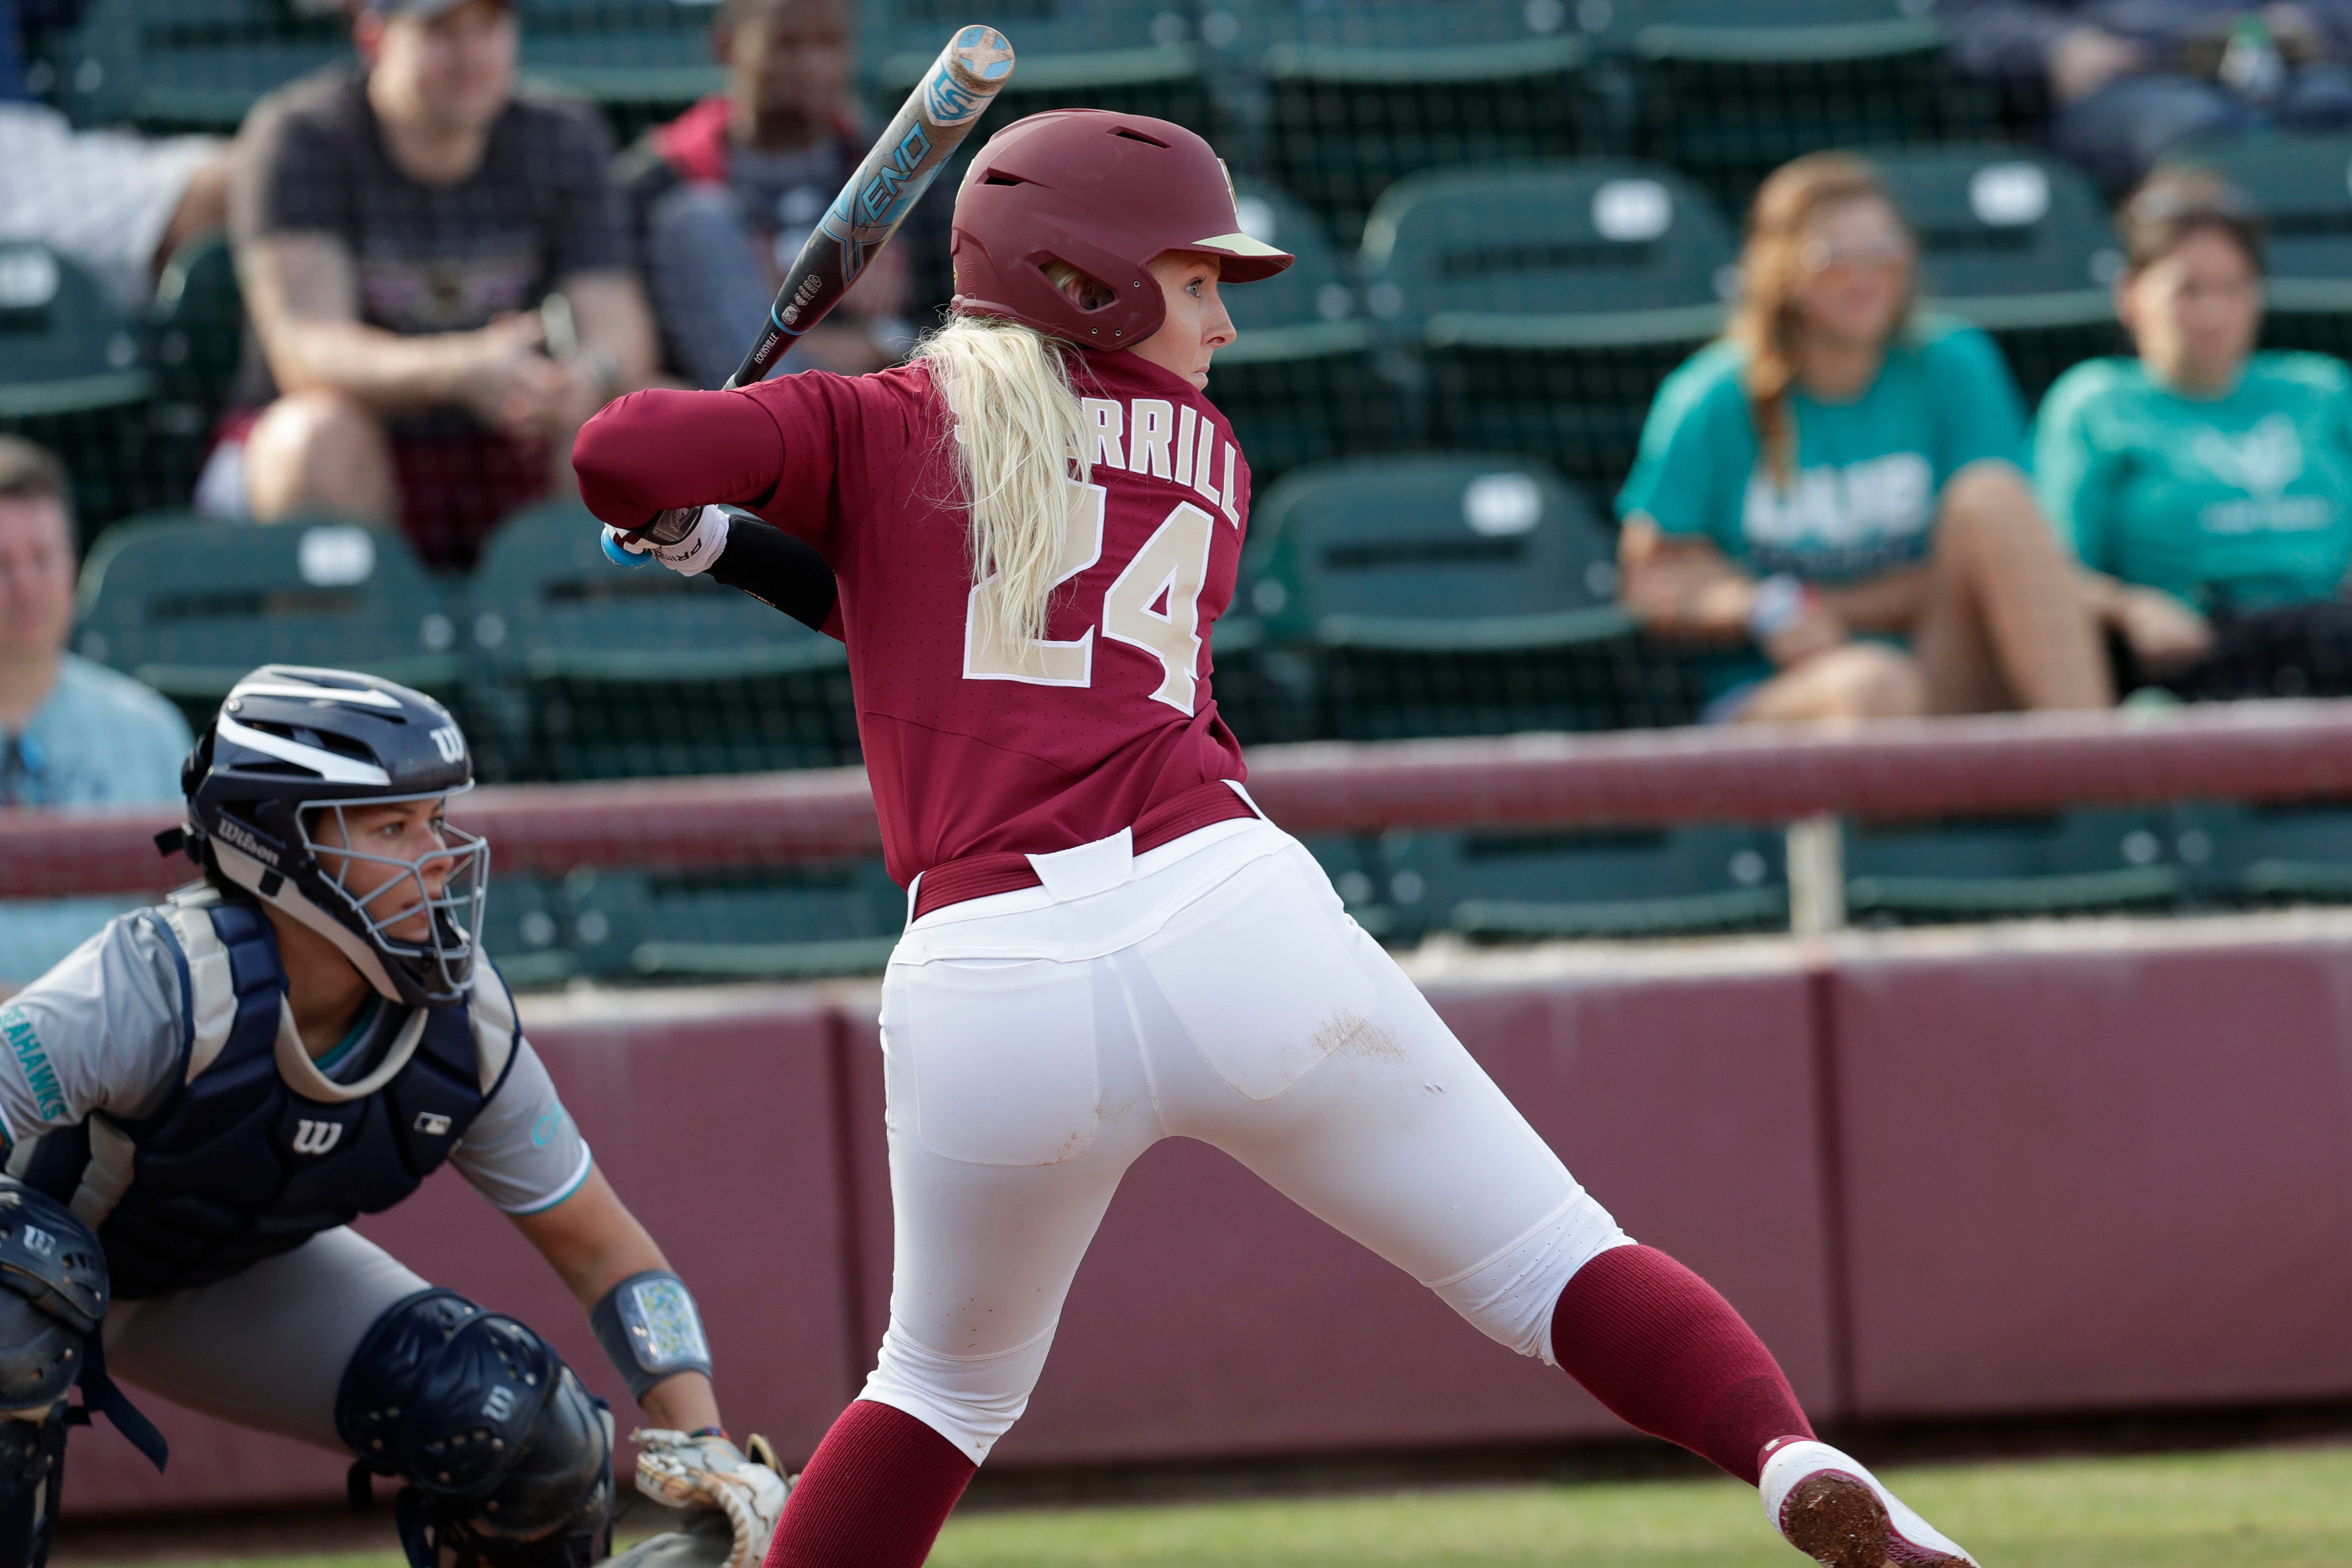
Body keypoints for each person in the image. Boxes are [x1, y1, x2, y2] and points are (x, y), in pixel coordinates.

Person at [570, 110, 1981, 1568]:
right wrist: (721, 535)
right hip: (1228, 916)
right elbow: (959, 619)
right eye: (1198, 283)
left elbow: (623, 450)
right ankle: (1783, 1450)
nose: (1225, 326)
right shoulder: (1206, 454)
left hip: (990, 975)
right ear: (1094, 285)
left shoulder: (879, 415)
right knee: (1558, 1261)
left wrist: (703, 492)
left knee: (932, 1392)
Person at [0, 666, 787, 1568]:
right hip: (47, 1267)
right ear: (276, 844)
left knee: (526, 1426)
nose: (440, 853)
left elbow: (611, 1256)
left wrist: (705, 1445)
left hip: (214, 1282)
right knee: (17, 1289)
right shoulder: (157, 984)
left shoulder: (465, 1026)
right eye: (393, 826)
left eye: (439, 819)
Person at [1616, 151, 2113, 724]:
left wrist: (1827, 606)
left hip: (1941, 672)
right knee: (1874, 683)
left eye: (1883, 251)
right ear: (1778, 268)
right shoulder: (1712, 396)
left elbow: (1997, 565)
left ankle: (2102, 780)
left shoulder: (1953, 363)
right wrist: (1760, 606)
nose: (1864, 277)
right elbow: (1649, 577)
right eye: (1833, 258)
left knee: (1992, 496)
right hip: (1782, 696)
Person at [214, 0, 657, 569]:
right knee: (317, 440)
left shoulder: (563, 135)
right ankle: (339, 652)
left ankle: (594, 649)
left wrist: (584, 376)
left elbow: (619, 325)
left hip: (503, 442)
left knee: (639, 430)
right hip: (357, 445)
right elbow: (306, 350)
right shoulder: (300, 137)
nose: (471, 55)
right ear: (374, 36)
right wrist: (459, 369)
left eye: (489, 27)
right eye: (441, 31)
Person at [2036, 168, 2352, 697]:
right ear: (2130, 294)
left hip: (2331, 643)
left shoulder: (2320, 388)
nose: (2211, 312)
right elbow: (2049, 572)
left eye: (2232, 288)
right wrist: (2129, 607)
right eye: (2187, 290)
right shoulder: (2094, 403)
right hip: (2193, 661)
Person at [616, 0, 939, 388]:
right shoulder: (656, 184)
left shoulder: (904, 169)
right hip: (723, 421)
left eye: (831, 43)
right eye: (787, 44)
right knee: (699, 220)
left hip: (878, 411)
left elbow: (953, 323)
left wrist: (880, 338)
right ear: (727, 46)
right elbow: (639, 360)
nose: (814, 66)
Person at [0, 438, 192, 991]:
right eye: (2, 563)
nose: (26, 587)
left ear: (73, 567)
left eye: (42, 559)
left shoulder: (149, 728)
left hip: (120, 1045)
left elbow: (189, 922)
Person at [1943, 0, 2352, 192]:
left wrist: (2310, 16)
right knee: (2193, 125)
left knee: (2332, 104)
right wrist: (2056, 44)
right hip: (2124, 81)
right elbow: (1974, 16)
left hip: (2271, 62)